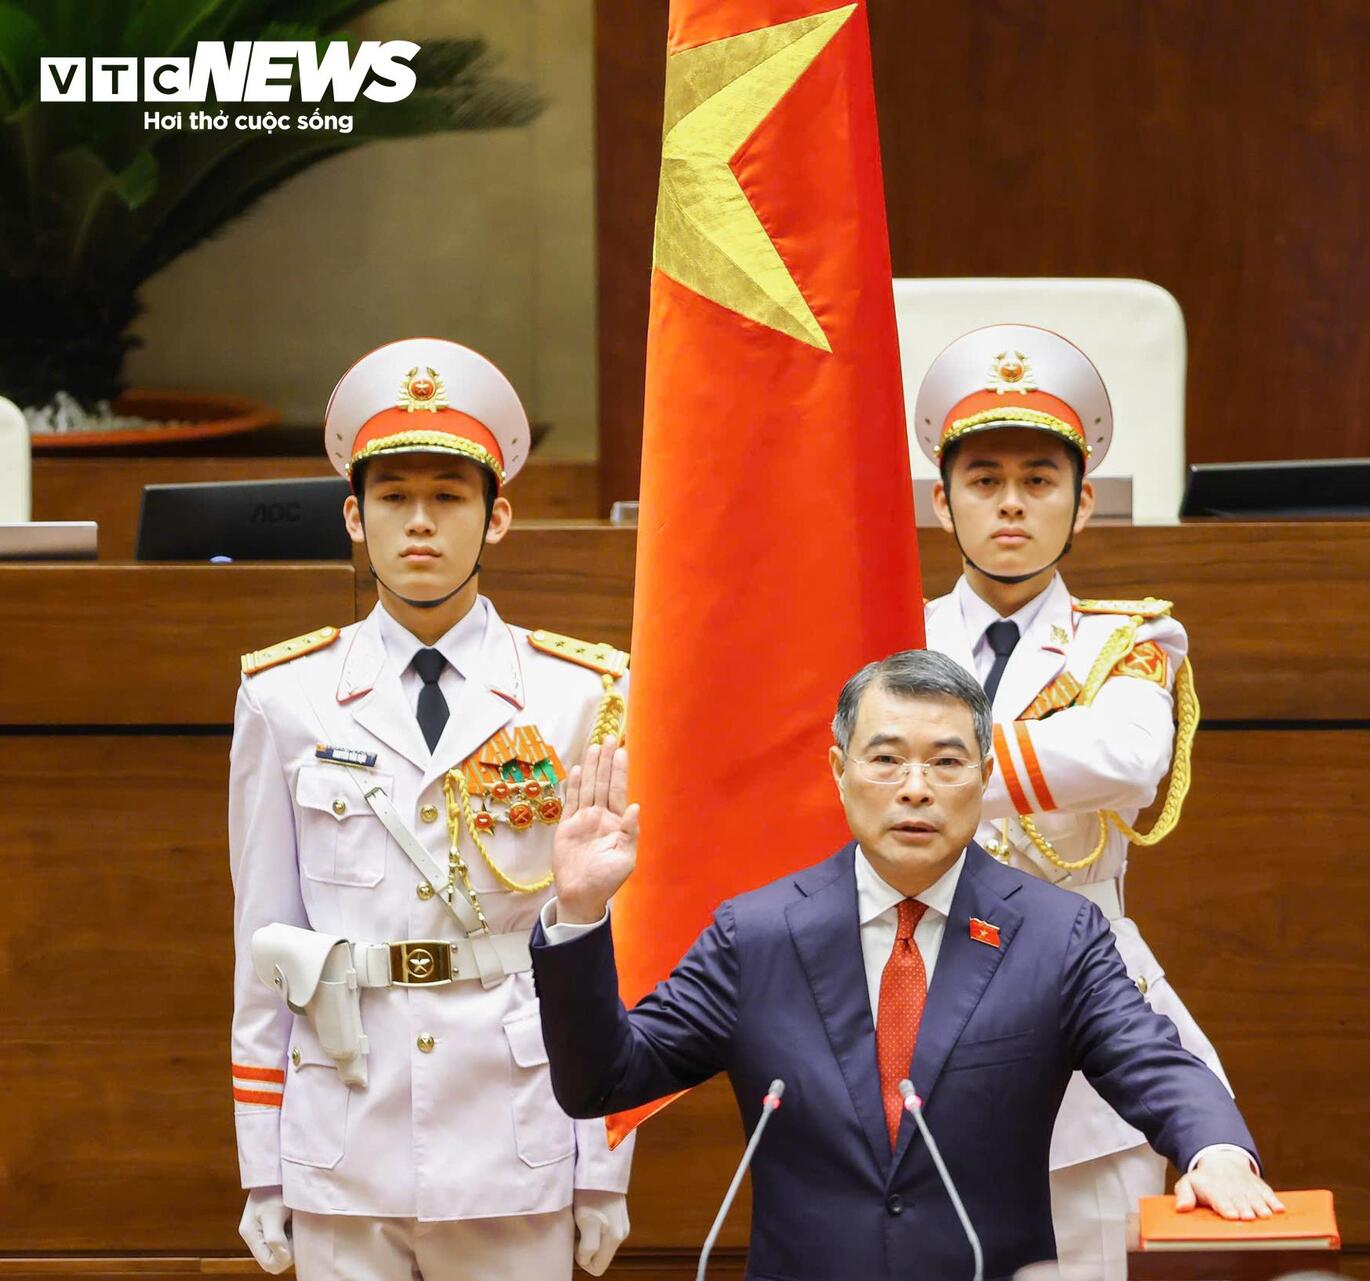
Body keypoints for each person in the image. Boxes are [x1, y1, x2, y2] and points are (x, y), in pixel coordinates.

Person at [532, 649, 1277, 1281]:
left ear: (984, 775)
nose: (915, 787)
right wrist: (581, 912)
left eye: (946, 762)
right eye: (886, 759)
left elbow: (1151, 1059)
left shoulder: (1057, 934)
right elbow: (604, 1080)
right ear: (839, 770)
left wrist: (1215, 1151)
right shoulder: (756, 934)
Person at [228, 338, 635, 1278]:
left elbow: (608, 939)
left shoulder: (580, 694)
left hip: (517, 1127)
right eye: (393, 497)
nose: (420, 522)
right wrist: (263, 1160)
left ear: (498, 517)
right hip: (344, 1127)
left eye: (449, 496)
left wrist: (605, 1159)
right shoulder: (286, 697)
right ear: (353, 516)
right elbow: (263, 943)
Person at [915, 324, 1224, 1279]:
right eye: (984, 479)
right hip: (919, 998)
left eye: (1040, 479)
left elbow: (1127, 758)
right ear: (942, 499)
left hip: (1086, 1010)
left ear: (1084, 501)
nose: (1012, 502)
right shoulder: (888, 636)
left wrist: (916, 763)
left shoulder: (1129, 638)